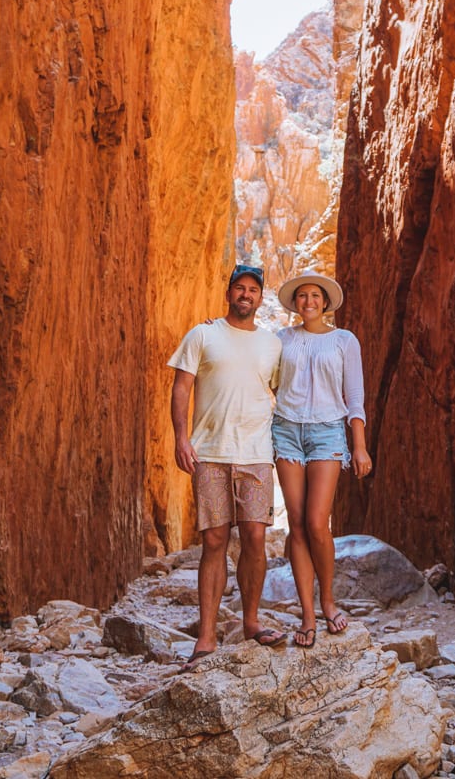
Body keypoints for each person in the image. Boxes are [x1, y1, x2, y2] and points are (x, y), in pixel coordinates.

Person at [169, 263, 287, 671]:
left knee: (255, 536)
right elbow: (181, 387)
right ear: (229, 293)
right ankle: (206, 635)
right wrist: (181, 439)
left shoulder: (273, 345)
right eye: (240, 288)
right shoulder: (203, 334)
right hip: (211, 454)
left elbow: (285, 395)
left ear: (260, 298)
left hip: (256, 454)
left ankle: (251, 621)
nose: (246, 295)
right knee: (215, 540)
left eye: (253, 290)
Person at [272, 268, 371, 648]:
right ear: (295, 303)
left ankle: (328, 600)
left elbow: (355, 397)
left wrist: (358, 445)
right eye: (302, 296)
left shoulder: (345, 341)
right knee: (296, 524)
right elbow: (260, 371)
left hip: (328, 432)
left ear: (325, 302)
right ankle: (308, 613)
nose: (309, 301)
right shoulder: (282, 339)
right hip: (286, 431)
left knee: (317, 523)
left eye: (315, 296)